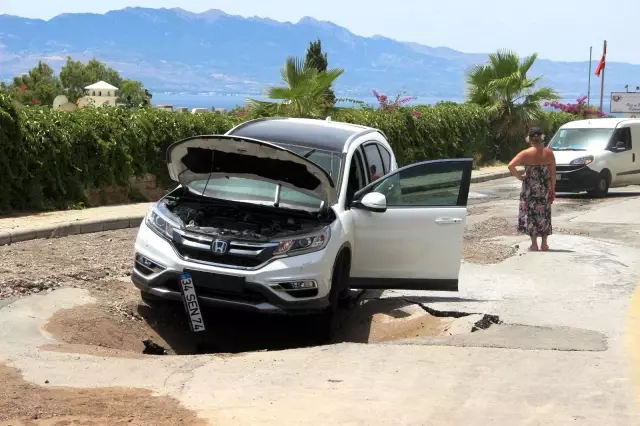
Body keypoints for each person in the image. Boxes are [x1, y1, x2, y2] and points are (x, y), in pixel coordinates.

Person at [508, 128, 556, 251]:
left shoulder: (525, 153)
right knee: (544, 214)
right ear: (542, 138)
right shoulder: (549, 153)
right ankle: (544, 244)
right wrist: (552, 190)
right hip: (545, 188)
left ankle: (534, 244)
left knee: (531, 214)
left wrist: (520, 177)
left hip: (530, 188)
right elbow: (553, 175)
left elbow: (511, 166)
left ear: (529, 139)